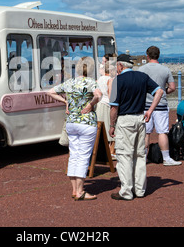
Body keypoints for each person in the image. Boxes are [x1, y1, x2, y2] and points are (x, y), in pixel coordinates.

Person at [109, 54, 163, 200]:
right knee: (139, 155)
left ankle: (126, 191)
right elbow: (159, 91)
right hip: (140, 117)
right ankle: (140, 189)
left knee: (124, 156)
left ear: (120, 65)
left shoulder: (118, 80)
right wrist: (150, 110)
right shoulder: (142, 77)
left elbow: (114, 107)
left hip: (125, 119)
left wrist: (111, 125)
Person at [47, 57, 102, 201]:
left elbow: (50, 92)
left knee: (74, 155)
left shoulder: (69, 83)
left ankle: (74, 190)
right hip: (86, 122)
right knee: (83, 156)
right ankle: (80, 191)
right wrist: (91, 105)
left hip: (71, 122)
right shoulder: (91, 82)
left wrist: (66, 101)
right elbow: (98, 95)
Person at [139, 46, 181, 166]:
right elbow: (172, 87)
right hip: (161, 104)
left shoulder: (141, 69)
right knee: (162, 132)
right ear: (159, 55)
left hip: (145, 105)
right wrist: (163, 91)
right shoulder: (165, 70)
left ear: (147, 56)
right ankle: (166, 158)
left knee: (146, 132)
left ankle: (143, 158)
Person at [96, 54, 116, 158]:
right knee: (110, 128)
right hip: (107, 104)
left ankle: (102, 151)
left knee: (100, 128)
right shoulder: (110, 79)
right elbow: (111, 94)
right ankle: (111, 151)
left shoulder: (99, 79)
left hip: (100, 104)